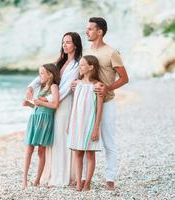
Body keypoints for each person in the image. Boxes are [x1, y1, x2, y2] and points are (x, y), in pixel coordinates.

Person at [72, 17, 129, 190]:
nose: (86, 32)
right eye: (87, 28)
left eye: (90, 29)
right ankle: (82, 180)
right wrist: (76, 82)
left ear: (100, 32)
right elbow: (83, 72)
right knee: (84, 139)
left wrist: (107, 88)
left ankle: (110, 178)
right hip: (88, 105)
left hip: (108, 102)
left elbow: (125, 78)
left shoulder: (111, 52)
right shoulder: (87, 51)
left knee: (108, 141)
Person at [26, 32, 82, 186]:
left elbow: (65, 89)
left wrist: (46, 98)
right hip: (53, 103)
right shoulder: (59, 62)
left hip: (64, 103)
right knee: (53, 139)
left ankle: (62, 177)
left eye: (68, 42)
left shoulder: (76, 65)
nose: (64, 45)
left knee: (61, 139)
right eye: (63, 42)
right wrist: (31, 86)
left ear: (75, 45)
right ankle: (51, 174)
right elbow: (44, 75)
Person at [68, 55, 103, 191]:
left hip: (90, 123)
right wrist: (69, 124)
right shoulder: (77, 84)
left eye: (82, 65)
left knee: (90, 153)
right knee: (78, 153)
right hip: (77, 123)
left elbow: (99, 109)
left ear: (91, 67)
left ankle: (87, 182)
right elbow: (74, 105)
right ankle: (78, 182)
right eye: (80, 65)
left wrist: (96, 128)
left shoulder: (98, 86)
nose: (80, 67)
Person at [22, 63, 60, 189]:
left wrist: (39, 102)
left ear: (50, 75)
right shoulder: (42, 88)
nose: (40, 76)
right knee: (29, 150)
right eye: (39, 73)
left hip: (44, 121)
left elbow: (55, 105)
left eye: (42, 73)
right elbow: (38, 105)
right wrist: (30, 105)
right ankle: (24, 180)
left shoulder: (54, 86)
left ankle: (37, 179)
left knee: (41, 151)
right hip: (34, 119)